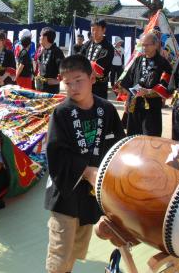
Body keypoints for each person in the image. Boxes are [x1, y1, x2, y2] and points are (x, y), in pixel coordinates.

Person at [44, 54, 125, 273]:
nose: (73, 87)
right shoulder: (61, 113)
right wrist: (87, 170)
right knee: (60, 252)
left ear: (92, 78)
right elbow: (55, 154)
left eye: (78, 80)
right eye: (67, 83)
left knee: (76, 248)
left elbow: (118, 146)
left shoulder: (107, 109)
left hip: (91, 192)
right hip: (66, 191)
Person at [120, 33, 172, 137]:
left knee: (150, 137)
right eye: (142, 45)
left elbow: (166, 87)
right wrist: (127, 101)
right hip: (134, 104)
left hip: (151, 106)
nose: (144, 48)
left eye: (147, 45)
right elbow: (129, 80)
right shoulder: (138, 60)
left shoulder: (163, 63)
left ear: (155, 45)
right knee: (133, 137)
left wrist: (148, 91)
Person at [81, 19, 115, 99]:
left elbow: (98, 68)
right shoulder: (88, 43)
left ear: (104, 30)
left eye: (98, 30)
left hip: (99, 86)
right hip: (85, 83)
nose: (94, 32)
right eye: (92, 30)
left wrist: (83, 65)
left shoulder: (108, 47)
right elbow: (79, 57)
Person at [35, 27, 64, 94]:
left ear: (45, 38)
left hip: (51, 89)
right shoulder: (41, 49)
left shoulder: (57, 52)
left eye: (40, 35)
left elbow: (64, 69)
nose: (39, 38)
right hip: (40, 87)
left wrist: (57, 80)